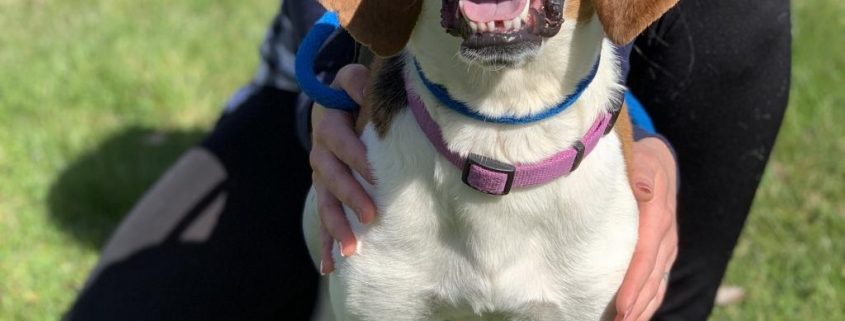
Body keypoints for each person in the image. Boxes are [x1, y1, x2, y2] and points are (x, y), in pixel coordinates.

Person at [63, 0, 791, 320]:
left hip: (586, 111)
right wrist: (322, 99)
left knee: (743, 16)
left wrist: (638, 127)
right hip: (360, 101)